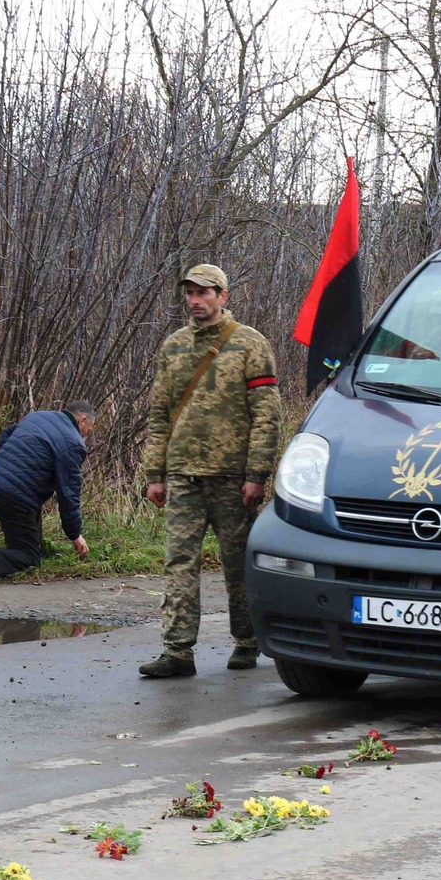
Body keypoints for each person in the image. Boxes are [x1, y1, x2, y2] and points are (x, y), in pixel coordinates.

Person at [139, 264, 284, 679]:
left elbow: (266, 416)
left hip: (232, 478)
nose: (195, 300)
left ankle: (247, 641)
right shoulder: (174, 347)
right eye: (190, 293)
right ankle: (177, 651)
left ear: (223, 296)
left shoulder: (249, 344)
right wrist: (155, 473)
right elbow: (159, 415)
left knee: (237, 564)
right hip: (183, 474)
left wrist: (257, 474)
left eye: (204, 292)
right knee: (178, 563)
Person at [0, 402, 95, 581]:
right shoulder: (73, 443)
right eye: (88, 429)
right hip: (12, 498)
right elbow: (69, 494)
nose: (85, 434)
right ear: (82, 420)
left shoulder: (38, 416)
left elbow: (3, 438)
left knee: (28, 524)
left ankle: (15, 551)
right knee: (29, 560)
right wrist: (75, 534)